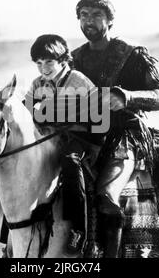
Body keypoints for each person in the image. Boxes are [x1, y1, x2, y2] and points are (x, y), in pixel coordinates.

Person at [71, 0, 159, 257]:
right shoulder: (74, 59)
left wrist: (127, 96)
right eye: (83, 15)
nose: (88, 21)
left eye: (95, 15)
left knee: (105, 196)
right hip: (83, 135)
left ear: (110, 20)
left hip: (124, 136)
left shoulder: (132, 54)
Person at [24, 34, 102, 254]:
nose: (43, 68)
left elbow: (100, 114)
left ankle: (79, 229)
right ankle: (10, 235)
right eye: (38, 63)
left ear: (63, 60)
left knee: (70, 162)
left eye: (48, 61)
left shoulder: (78, 80)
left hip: (81, 138)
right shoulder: (37, 84)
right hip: (51, 138)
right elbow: (27, 110)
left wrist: (55, 113)